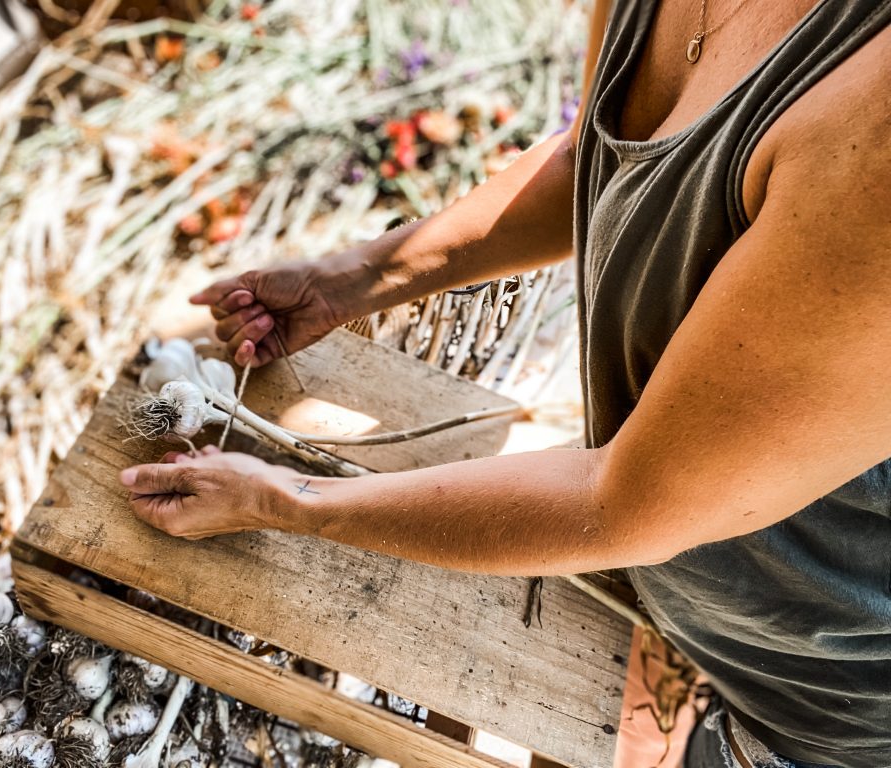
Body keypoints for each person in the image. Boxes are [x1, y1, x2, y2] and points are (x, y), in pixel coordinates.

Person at [118, 1, 891, 766]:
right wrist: (351, 280)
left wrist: (285, 501)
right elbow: (590, 156)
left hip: (823, 701)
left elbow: (618, 502)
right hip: (699, 573)